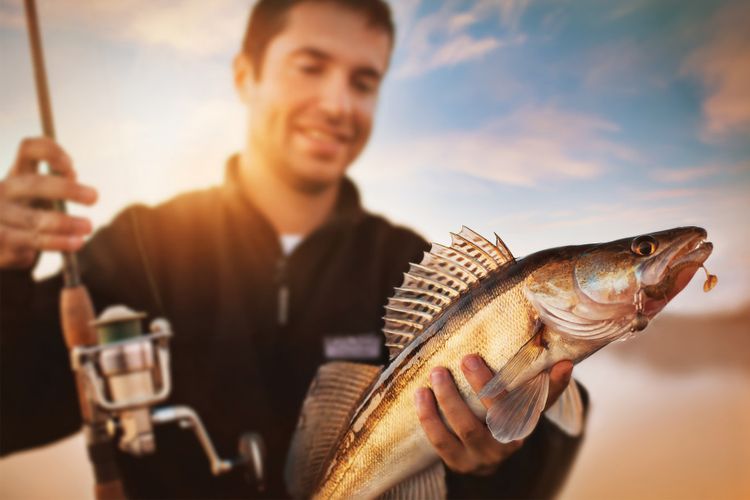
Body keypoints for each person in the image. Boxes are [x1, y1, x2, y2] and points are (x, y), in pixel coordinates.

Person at [0, 0, 584, 497]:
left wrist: (493, 462)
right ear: (244, 75)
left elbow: (533, 472)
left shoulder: (406, 263)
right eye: (310, 67)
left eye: (363, 82)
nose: (337, 104)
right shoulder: (138, 247)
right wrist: (3, 268)